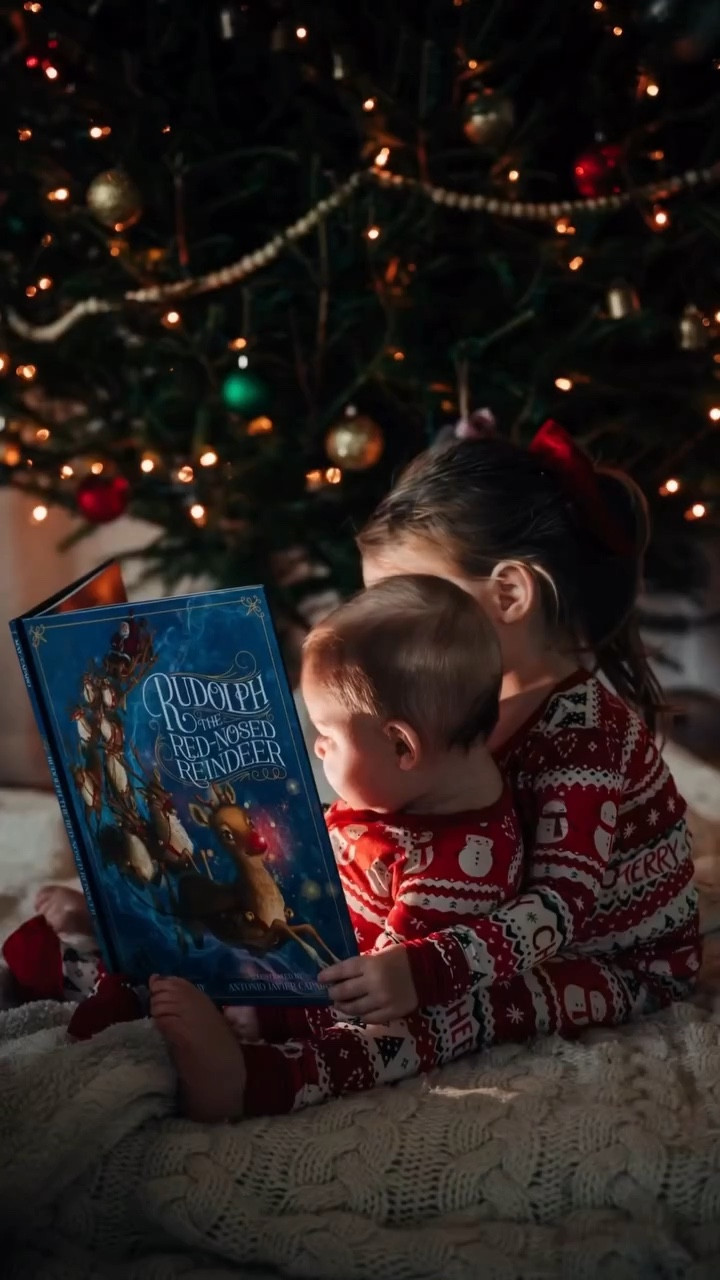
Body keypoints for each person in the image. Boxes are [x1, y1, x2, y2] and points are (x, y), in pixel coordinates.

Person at [151, 574, 524, 1120]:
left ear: (401, 745)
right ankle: (104, 957)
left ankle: (247, 1082)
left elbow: (368, 993)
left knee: (389, 1040)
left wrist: (271, 1016)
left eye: (329, 731)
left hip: (349, 989)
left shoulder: (458, 873)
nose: (318, 744)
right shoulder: (402, 789)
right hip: (303, 951)